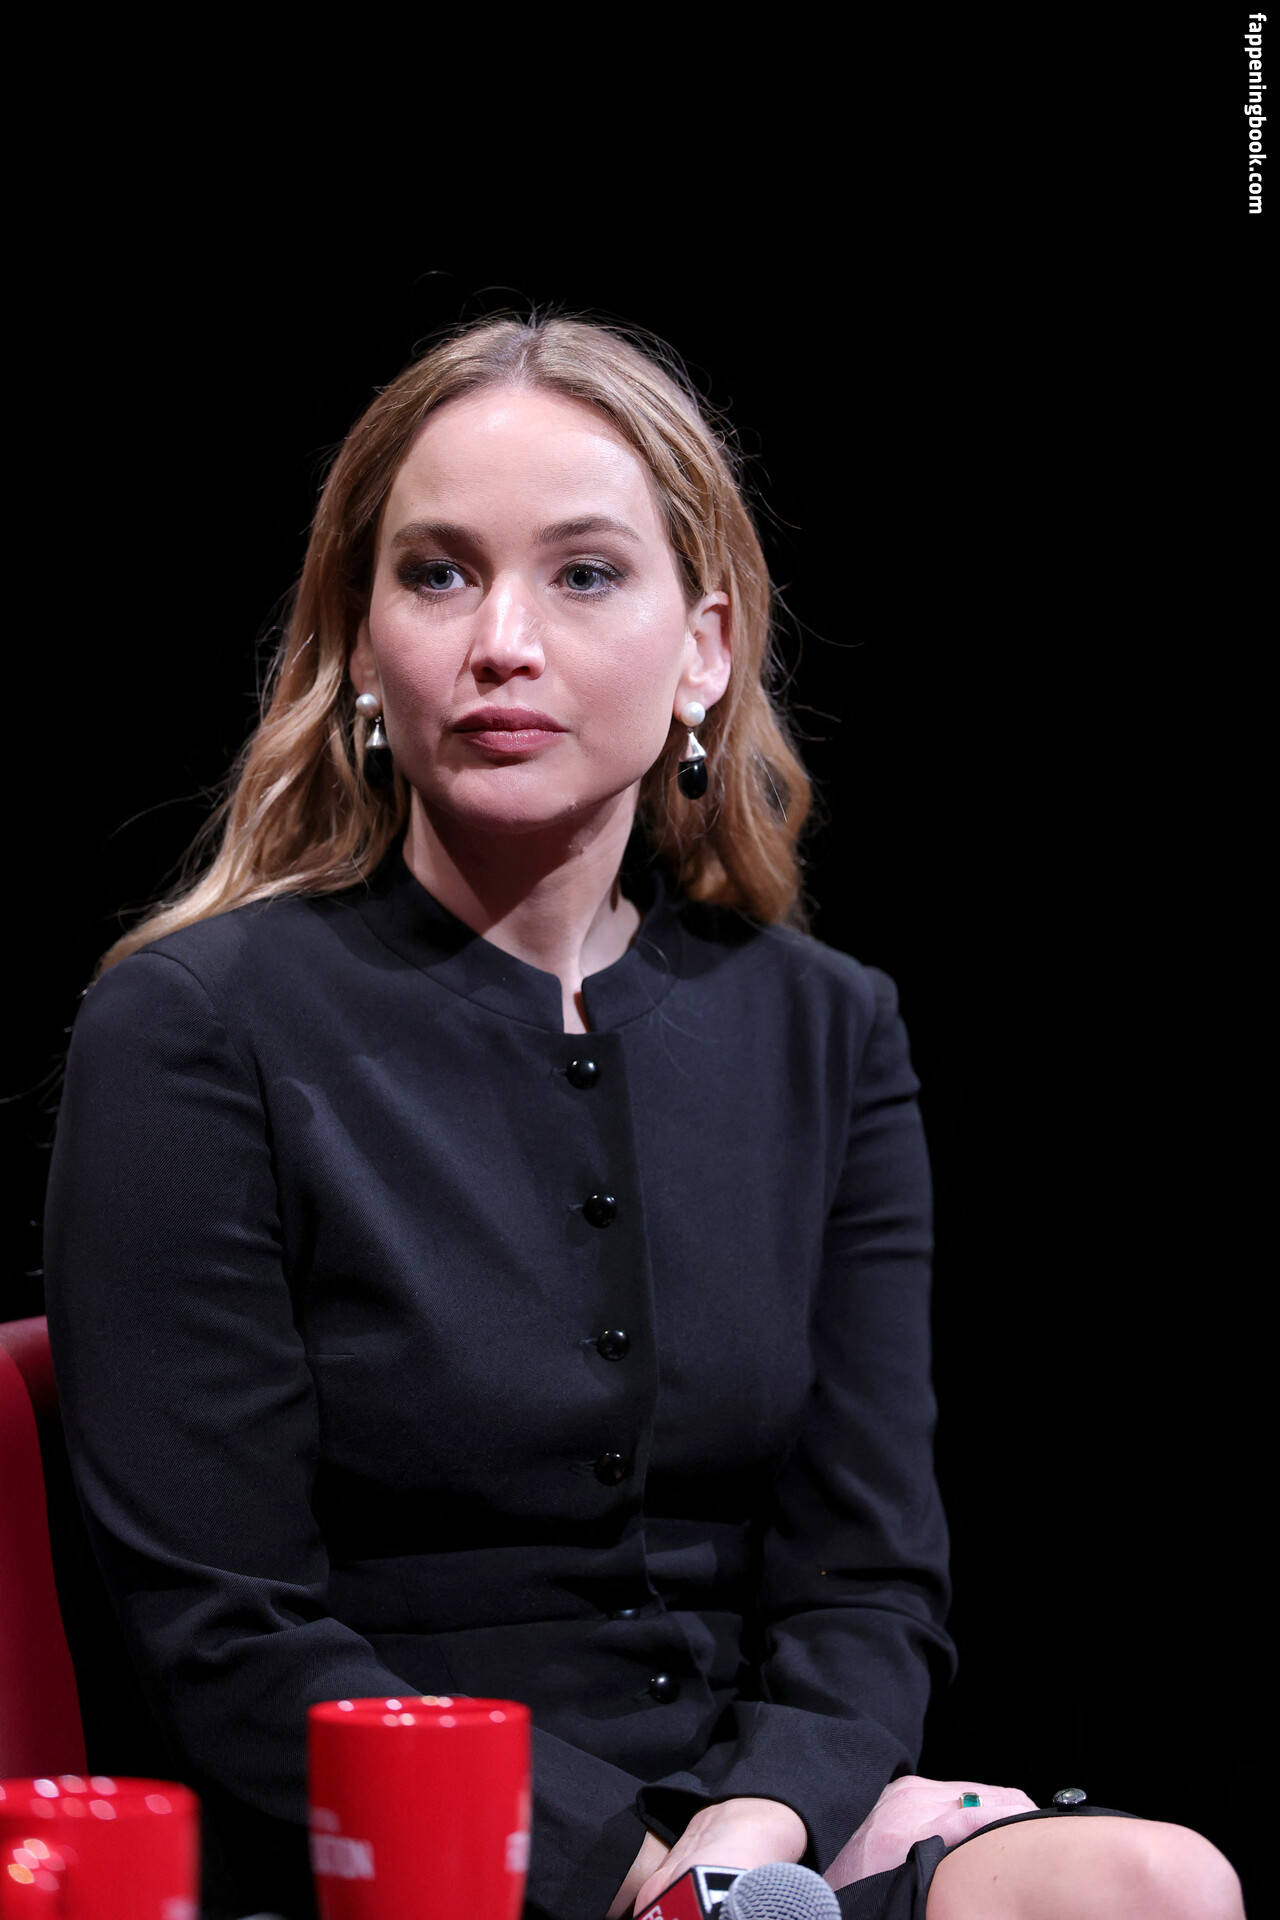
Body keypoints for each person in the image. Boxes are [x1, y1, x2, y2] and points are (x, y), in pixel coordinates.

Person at [43, 316, 1244, 1920]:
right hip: (403, 1861)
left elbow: (867, 1577)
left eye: (585, 574)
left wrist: (761, 1829)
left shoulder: (827, 1027)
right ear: (360, 643)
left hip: (756, 1845)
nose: (502, 642)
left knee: (1154, 1881)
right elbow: (228, 1634)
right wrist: (632, 1874)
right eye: (438, 574)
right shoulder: (195, 1025)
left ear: (705, 649)